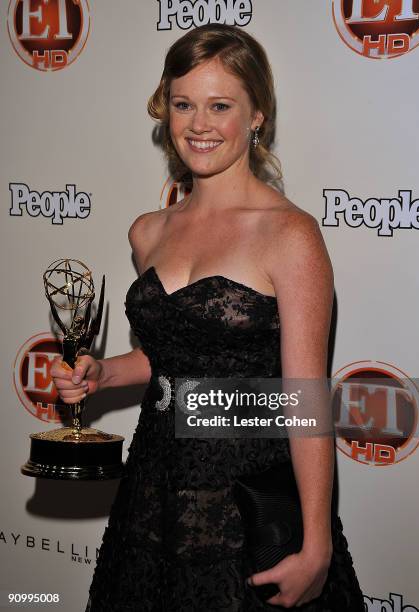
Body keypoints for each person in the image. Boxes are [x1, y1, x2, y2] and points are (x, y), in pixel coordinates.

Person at [51, 24, 364, 611]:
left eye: (220, 105)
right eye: (183, 104)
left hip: (244, 503)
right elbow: (170, 359)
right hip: (152, 487)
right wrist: (104, 373)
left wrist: (317, 545)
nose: (199, 124)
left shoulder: (289, 235)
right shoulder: (148, 232)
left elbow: (303, 398)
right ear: (164, 110)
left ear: (256, 117)